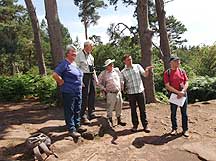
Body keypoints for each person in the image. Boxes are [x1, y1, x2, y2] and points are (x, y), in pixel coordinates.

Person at [52, 44, 87, 138]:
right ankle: (71, 129)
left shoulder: (74, 64)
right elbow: (55, 74)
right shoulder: (64, 64)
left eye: (75, 52)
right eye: (72, 52)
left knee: (77, 109)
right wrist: (61, 81)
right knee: (69, 110)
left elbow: (78, 76)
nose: (75, 53)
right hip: (68, 91)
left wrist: (81, 83)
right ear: (67, 53)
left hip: (78, 90)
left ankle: (77, 125)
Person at [121, 54, 153, 132]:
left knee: (143, 109)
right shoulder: (123, 72)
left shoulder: (137, 66)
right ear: (124, 61)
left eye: (131, 59)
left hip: (140, 91)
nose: (130, 61)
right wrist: (122, 86)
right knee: (133, 110)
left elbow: (145, 75)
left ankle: (145, 126)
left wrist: (147, 70)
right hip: (131, 93)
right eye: (128, 60)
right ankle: (135, 126)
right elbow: (122, 82)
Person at [164, 55, 189, 137]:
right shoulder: (167, 73)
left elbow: (187, 82)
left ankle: (185, 130)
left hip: (183, 95)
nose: (178, 62)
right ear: (171, 62)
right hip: (174, 95)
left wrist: (182, 92)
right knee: (173, 113)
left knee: (184, 113)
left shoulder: (182, 71)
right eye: (176, 61)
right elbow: (167, 85)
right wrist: (178, 92)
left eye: (178, 61)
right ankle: (174, 129)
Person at [98, 59, 126, 127]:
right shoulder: (104, 73)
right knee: (110, 108)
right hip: (110, 93)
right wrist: (104, 89)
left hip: (118, 92)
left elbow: (121, 78)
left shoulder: (116, 71)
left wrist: (122, 87)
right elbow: (98, 83)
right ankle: (110, 122)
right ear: (107, 66)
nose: (112, 65)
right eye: (110, 64)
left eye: (112, 64)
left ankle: (119, 120)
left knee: (119, 106)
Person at [75, 40, 98, 124]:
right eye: (91, 46)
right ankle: (83, 116)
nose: (92, 48)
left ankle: (91, 112)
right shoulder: (79, 55)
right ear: (86, 46)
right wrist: (80, 80)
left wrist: (96, 78)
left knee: (93, 93)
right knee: (84, 96)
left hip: (91, 76)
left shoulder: (91, 57)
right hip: (83, 76)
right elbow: (76, 68)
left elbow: (93, 68)